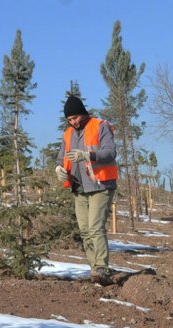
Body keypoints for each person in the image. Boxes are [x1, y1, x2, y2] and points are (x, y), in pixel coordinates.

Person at [55, 95, 118, 285]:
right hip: (79, 187)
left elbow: (110, 152)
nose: (73, 122)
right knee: (84, 230)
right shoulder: (67, 134)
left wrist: (88, 155)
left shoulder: (100, 126)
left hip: (101, 185)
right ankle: (94, 268)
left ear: (82, 113)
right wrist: (58, 169)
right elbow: (61, 158)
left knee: (95, 228)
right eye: (69, 120)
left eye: (75, 117)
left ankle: (101, 268)